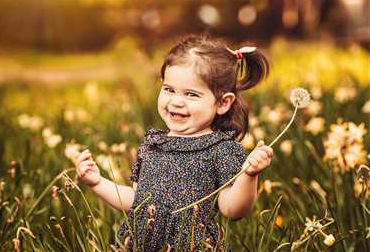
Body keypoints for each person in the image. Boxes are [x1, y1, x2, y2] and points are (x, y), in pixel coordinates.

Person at [76, 34, 273, 251]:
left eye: (191, 94)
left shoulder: (221, 149)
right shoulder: (153, 145)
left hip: (188, 245)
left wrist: (249, 175)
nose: (176, 101)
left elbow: (232, 209)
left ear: (223, 103)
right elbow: (137, 201)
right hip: (142, 244)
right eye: (169, 89)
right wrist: (97, 183)